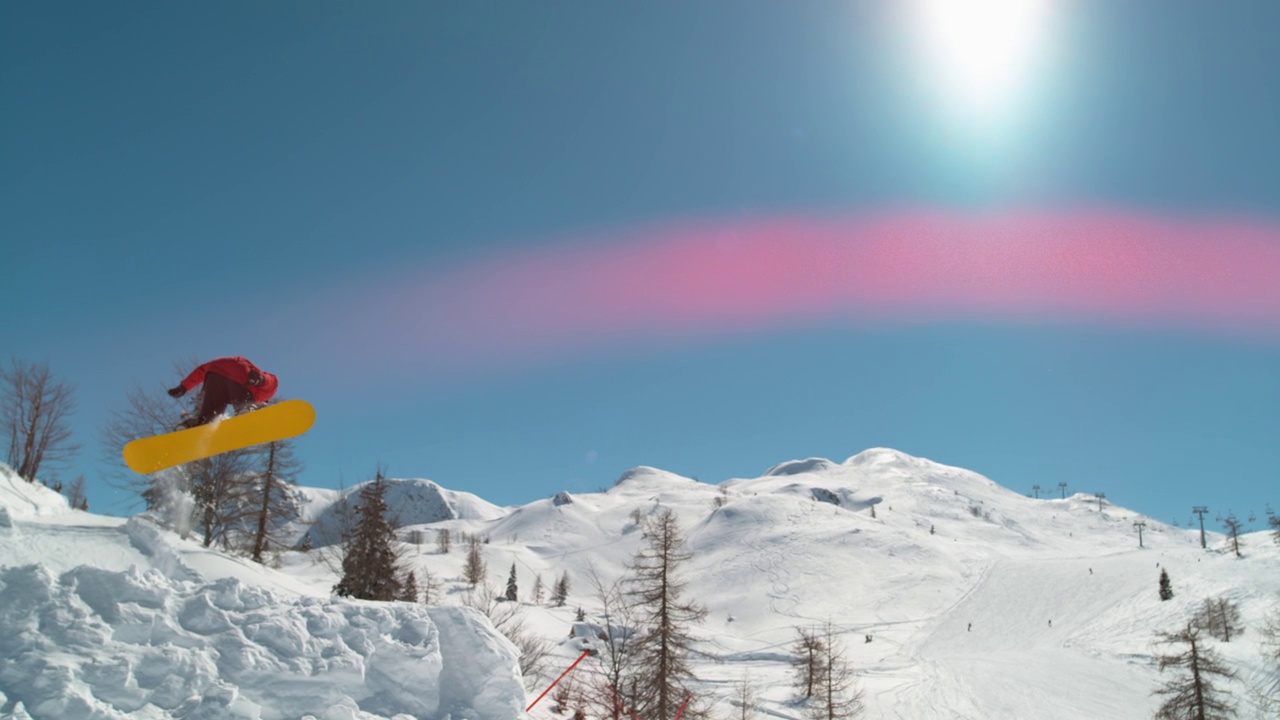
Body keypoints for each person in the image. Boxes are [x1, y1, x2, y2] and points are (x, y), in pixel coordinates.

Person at [168, 356, 278, 429]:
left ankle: (198, 424)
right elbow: (273, 381)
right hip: (238, 370)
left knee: (210, 415)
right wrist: (261, 379)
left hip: (214, 372)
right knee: (243, 399)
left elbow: (202, 370)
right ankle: (245, 409)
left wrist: (183, 387)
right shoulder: (264, 395)